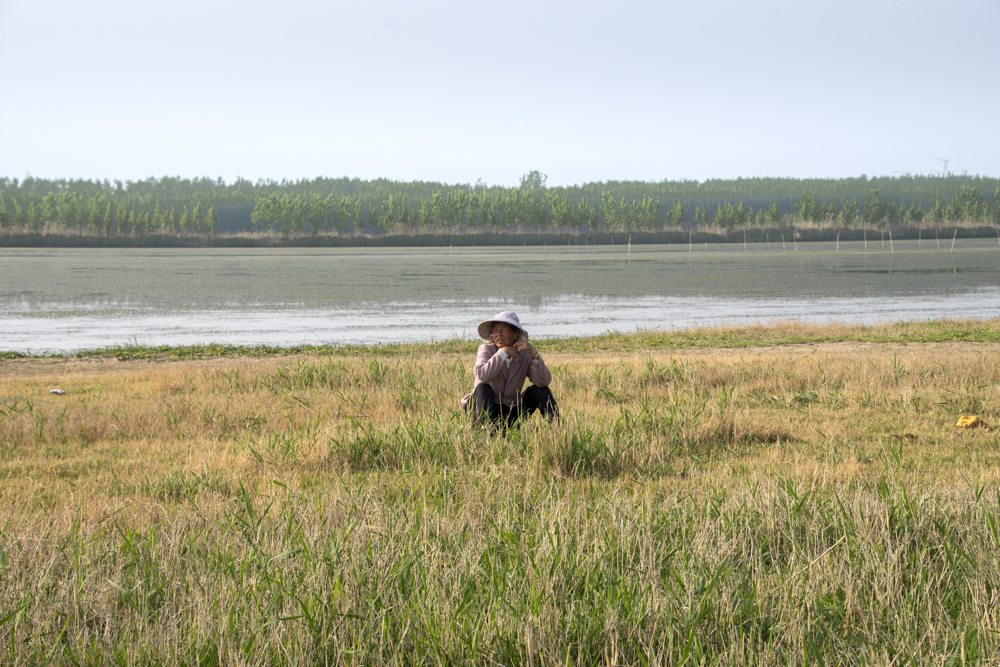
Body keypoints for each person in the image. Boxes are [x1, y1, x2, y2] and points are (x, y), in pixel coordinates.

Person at [461, 311, 559, 429]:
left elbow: (543, 382)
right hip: (484, 408)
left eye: (503, 330)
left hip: (510, 410)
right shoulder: (486, 349)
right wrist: (503, 352)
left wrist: (535, 355)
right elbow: (482, 375)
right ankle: (485, 430)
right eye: (495, 330)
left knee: (541, 390)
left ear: (515, 333)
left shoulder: (525, 354)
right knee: (483, 387)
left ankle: (557, 430)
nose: (498, 334)